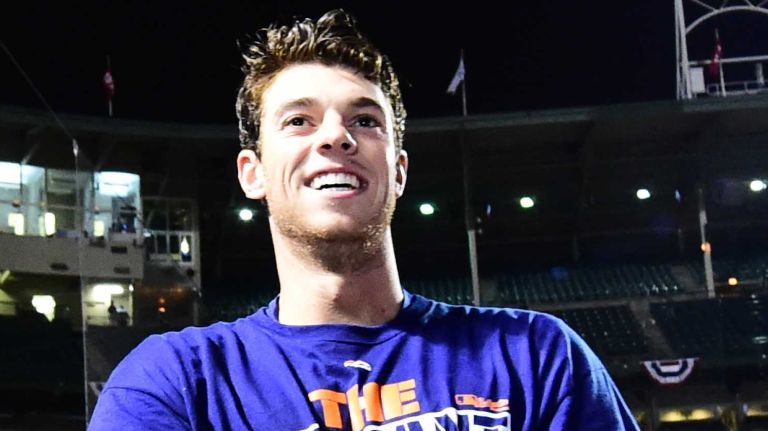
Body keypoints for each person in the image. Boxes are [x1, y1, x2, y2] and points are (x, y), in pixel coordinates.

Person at [89, 9, 639, 430]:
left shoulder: (534, 356)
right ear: (251, 173)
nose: (336, 136)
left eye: (366, 120)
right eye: (299, 120)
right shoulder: (175, 382)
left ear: (397, 171)